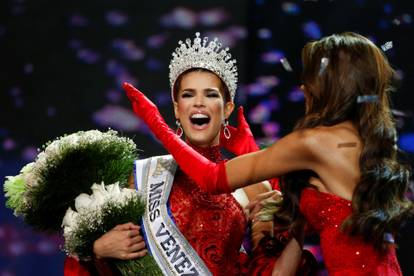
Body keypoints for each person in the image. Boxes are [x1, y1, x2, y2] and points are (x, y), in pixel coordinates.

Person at [124, 32, 413, 275]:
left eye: (311, 77)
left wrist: (158, 125)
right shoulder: (358, 139)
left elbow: (213, 179)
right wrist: (249, 151)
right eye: (188, 95)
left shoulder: (315, 142)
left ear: (331, 85)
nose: (302, 87)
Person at [65, 32, 298, 276]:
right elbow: (116, 262)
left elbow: (270, 271)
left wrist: (291, 224)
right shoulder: (142, 176)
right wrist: (98, 249)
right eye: (188, 95)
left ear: (227, 108)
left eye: (210, 94)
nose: (198, 103)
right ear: (177, 109)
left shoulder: (253, 188)